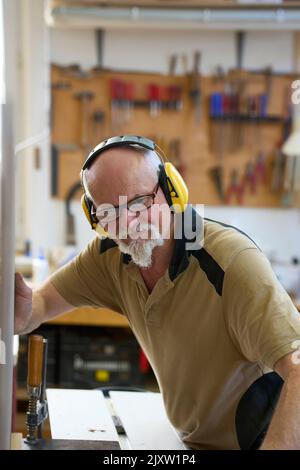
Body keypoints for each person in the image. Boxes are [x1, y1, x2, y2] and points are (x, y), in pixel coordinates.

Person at [15, 135, 300, 450]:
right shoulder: (109, 257)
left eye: (139, 203)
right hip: (191, 441)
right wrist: (22, 312)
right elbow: (39, 304)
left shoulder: (230, 262)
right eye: (109, 213)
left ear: (172, 189)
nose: (128, 224)